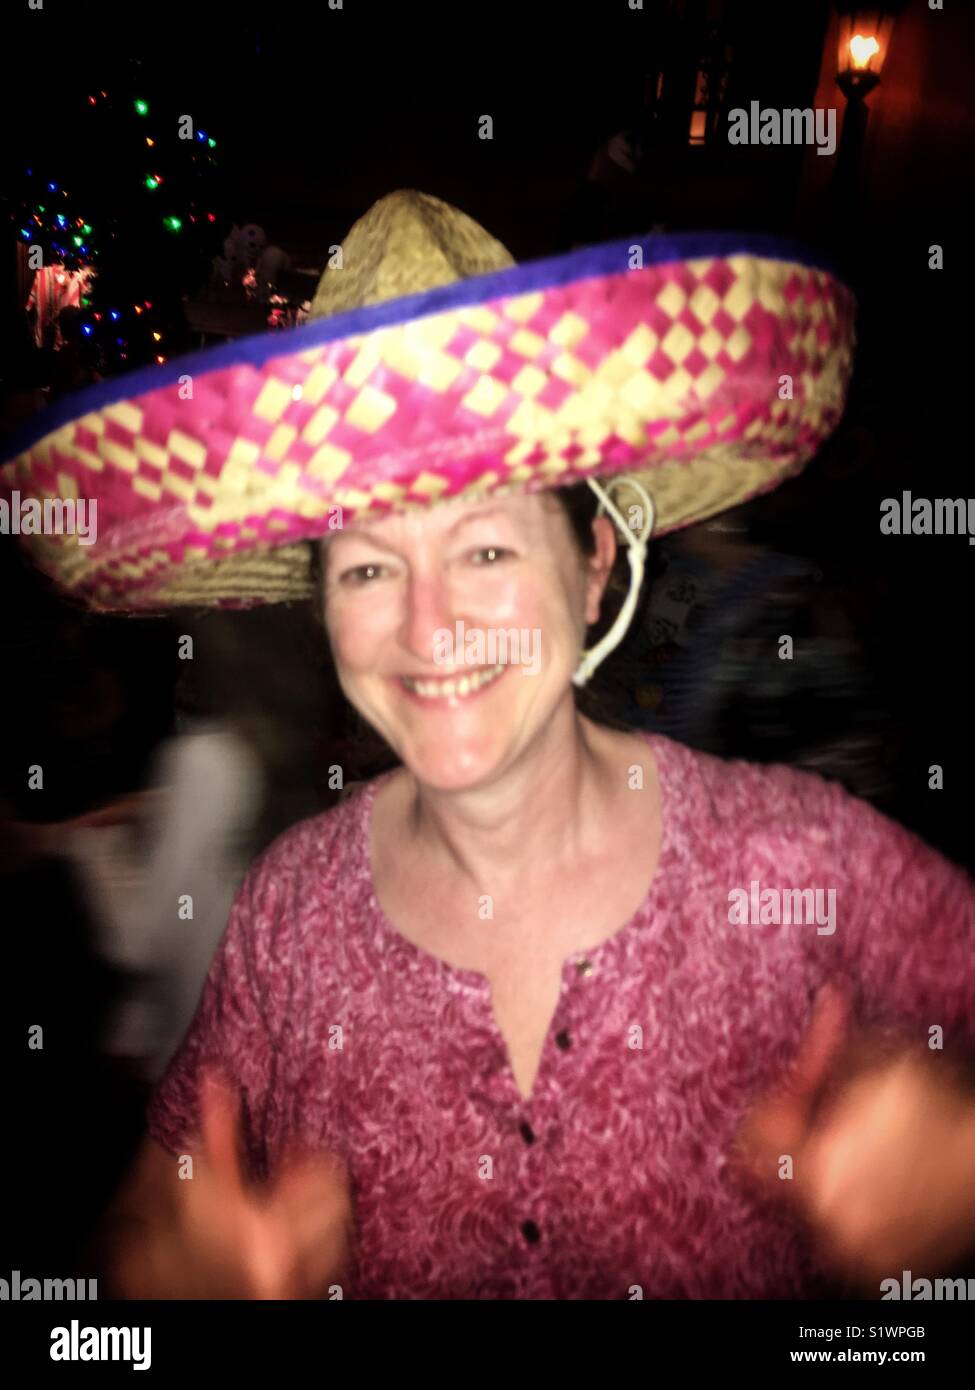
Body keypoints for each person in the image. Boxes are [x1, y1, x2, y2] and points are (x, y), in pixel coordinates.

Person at [5, 191, 975, 1300]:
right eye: (369, 567)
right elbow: (144, 1214)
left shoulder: (805, 863)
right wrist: (154, 1282)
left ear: (594, 562)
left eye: (486, 550)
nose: (430, 629)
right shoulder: (286, 918)